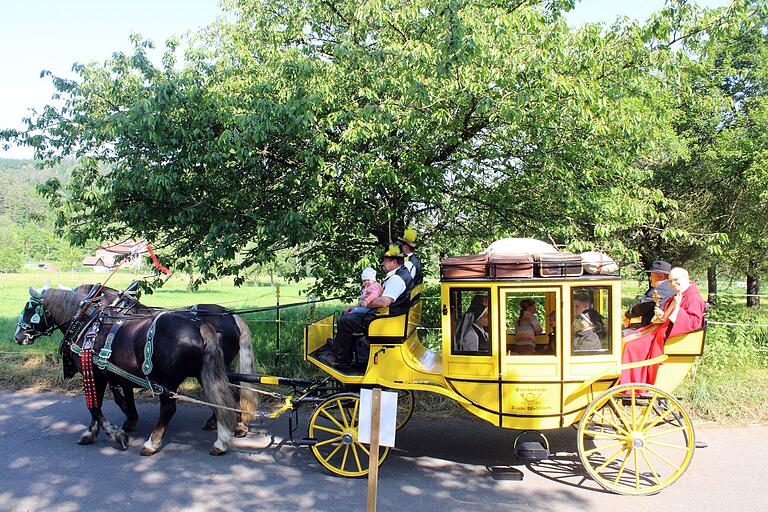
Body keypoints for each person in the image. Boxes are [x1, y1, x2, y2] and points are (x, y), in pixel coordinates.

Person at [330, 244, 414, 369]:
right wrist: (355, 307)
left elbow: (384, 302)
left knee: (345, 321)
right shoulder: (402, 274)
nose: (382, 264)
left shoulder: (397, 279)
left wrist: (365, 302)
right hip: (391, 316)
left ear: (394, 262)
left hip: (387, 320)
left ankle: (340, 360)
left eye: (385, 261)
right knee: (350, 316)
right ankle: (344, 349)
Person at [620, 267, 706, 385]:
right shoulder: (679, 294)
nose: (673, 284)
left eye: (676, 280)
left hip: (669, 337)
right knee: (626, 340)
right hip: (660, 330)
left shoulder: (693, 297)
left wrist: (677, 311)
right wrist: (662, 315)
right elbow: (667, 316)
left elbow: (694, 322)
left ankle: (635, 383)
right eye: (670, 281)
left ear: (686, 278)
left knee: (632, 346)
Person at [624, 260, 675, 331]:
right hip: (662, 325)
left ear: (661, 276)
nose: (650, 278)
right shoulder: (671, 286)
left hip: (653, 327)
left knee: (621, 334)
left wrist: (627, 314)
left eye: (652, 275)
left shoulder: (659, 290)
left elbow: (641, 307)